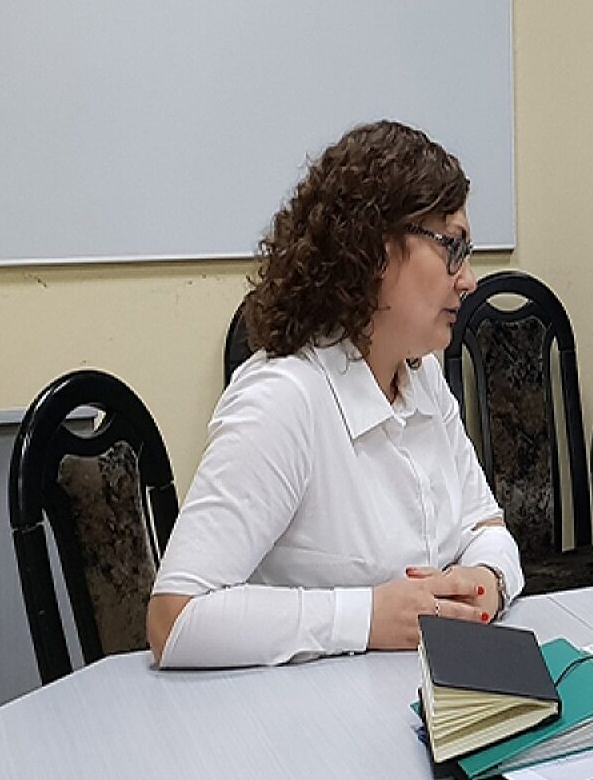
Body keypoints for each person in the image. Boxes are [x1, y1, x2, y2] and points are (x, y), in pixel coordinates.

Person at [147, 121, 522, 668]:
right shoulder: (284, 399)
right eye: (453, 247)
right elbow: (175, 619)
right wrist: (367, 617)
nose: (468, 279)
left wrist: (485, 583)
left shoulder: (422, 375)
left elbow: (485, 526)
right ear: (375, 251)